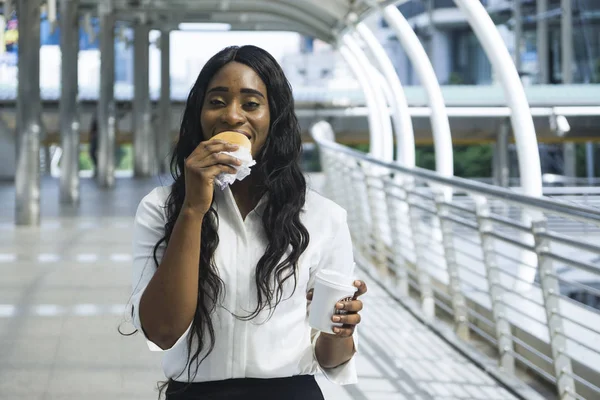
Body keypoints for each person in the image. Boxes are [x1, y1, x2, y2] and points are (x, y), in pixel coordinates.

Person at [128, 45, 367, 400]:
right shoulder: (161, 209)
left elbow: (331, 361)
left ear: (275, 118)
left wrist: (341, 330)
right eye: (217, 101)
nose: (232, 116)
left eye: (251, 104)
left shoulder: (323, 217)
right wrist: (193, 209)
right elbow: (162, 331)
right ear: (199, 114)